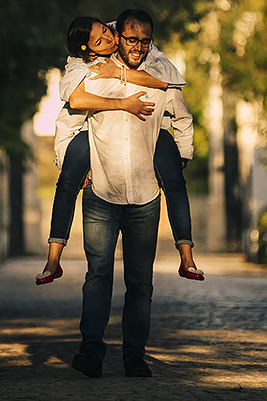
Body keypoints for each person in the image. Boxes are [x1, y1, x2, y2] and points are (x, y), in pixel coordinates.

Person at [70, 7, 196, 379]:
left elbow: (184, 119)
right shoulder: (95, 72)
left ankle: (134, 357)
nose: (137, 46)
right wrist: (72, 163)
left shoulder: (159, 77)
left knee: (140, 282)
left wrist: (181, 158)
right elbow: (71, 115)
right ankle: (91, 351)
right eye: (130, 39)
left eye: (144, 40)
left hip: (145, 195)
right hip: (101, 192)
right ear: (118, 36)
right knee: (98, 274)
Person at [36, 15, 203, 285]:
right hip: (87, 134)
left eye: (106, 31)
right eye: (100, 41)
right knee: (67, 182)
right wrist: (67, 157)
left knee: (174, 180)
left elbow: (165, 84)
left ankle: (187, 256)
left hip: (152, 133)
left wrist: (184, 152)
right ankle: (53, 259)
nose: (110, 39)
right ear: (90, 51)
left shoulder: (135, 43)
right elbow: (73, 106)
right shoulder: (84, 68)